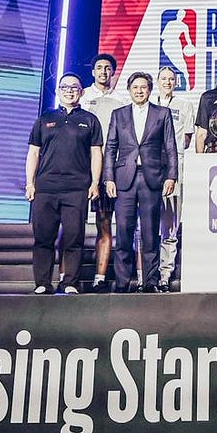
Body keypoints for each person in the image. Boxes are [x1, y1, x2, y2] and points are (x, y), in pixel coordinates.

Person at [23, 73, 102, 295]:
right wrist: (30, 183)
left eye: (74, 87)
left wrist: (95, 182)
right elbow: (33, 153)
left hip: (77, 188)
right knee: (43, 237)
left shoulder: (89, 120)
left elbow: (97, 154)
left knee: (74, 238)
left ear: (82, 92)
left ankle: (70, 283)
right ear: (58, 91)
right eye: (65, 87)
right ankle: (42, 283)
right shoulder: (44, 119)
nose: (69, 91)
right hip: (46, 187)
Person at [105, 71, 179, 293]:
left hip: (151, 178)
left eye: (143, 87)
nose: (139, 90)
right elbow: (110, 148)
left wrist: (172, 175)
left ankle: (150, 282)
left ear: (149, 89)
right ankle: (123, 282)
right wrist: (109, 177)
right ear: (129, 90)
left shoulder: (162, 113)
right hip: (124, 179)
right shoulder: (119, 114)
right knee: (124, 233)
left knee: (150, 233)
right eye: (135, 87)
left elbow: (170, 148)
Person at [80, 53, 125, 292]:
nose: (103, 72)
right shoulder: (83, 96)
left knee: (104, 223)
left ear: (113, 72)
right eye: (99, 68)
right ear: (93, 72)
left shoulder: (121, 99)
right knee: (73, 223)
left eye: (108, 68)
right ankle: (70, 277)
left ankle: (100, 277)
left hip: (110, 166)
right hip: (79, 166)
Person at [150, 65, 197, 290]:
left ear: (176, 82)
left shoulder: (185, 105)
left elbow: (187, 138)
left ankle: (165, 274)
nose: (168, 82)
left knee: (170, 224)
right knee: (147, 223)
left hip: (175, 165)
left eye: (171, 79)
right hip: (148, 166)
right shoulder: (147, 105)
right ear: (157, 82)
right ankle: (145, 273)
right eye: (164, 79)